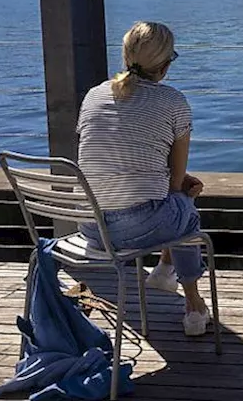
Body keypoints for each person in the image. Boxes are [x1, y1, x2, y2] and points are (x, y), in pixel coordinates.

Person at [76, 21, 211, 336]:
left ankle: (165, 270)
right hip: (135, 229)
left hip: (90, 226)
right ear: (164, 66)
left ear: (126, 57)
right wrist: (181, 184)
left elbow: (101, 159)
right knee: (185, 205)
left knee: (175, 202)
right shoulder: (173, 101)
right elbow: (176, 183)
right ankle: (192, 305)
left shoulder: (93, 96)